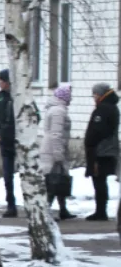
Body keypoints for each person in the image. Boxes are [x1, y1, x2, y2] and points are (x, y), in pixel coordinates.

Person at [83, 82, 119, 221]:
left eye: (95, 94)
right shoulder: (111, 107)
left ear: (100, 94)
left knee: (99, 179)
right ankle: (100, 210)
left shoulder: (103, 109)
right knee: (100, 180)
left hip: (101, 150)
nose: (94, 97)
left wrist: (90, 143)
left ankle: (101, 211)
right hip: (106, 148)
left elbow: (98, 130)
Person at [40, 83, 73, 220]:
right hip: (53, 151)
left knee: (59, 180)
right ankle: (46, 211)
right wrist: (58, 154)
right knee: (54, 181)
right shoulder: (58, 111)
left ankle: (63, 209)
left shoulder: (56, 109)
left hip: (53, 149)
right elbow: (56, 134)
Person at [0, 69, 17, 218]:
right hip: (5, 140)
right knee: (8, 175)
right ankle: (11, 205)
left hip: (18, 140)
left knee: (27, 175)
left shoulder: (18, 97)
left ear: (7, 82)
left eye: (0, 81)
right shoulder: (0, 97)